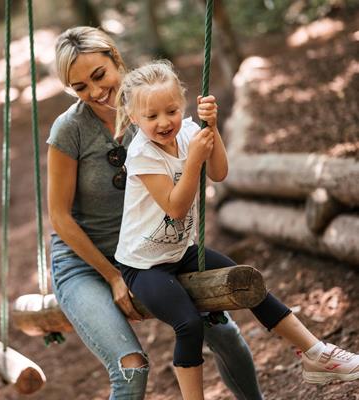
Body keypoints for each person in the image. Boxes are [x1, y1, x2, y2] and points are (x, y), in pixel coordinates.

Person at [113, 60, 359, 400]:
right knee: (189, 324)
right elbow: (175, 206)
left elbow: (220, 174)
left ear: (182, 103)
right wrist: (194, 159)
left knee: (248, 281)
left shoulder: (188, 132)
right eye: (151, 116)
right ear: (134, 119)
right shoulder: (141, 154)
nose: (163, 122)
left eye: (170, 110)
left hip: (180, 252)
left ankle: (316, 354)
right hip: (143, 266)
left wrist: (211, 128)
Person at [47, 26, 265, 399]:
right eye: (80, 87)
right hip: (85, 263)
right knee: (131, 369)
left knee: (223, 331)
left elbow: (193, 177)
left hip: (150, 253)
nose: (95, 92)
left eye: (99, 75)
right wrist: (113, 277)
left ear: (116, 59)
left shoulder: (152, 110)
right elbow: (59, 218)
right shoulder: (70, 129)